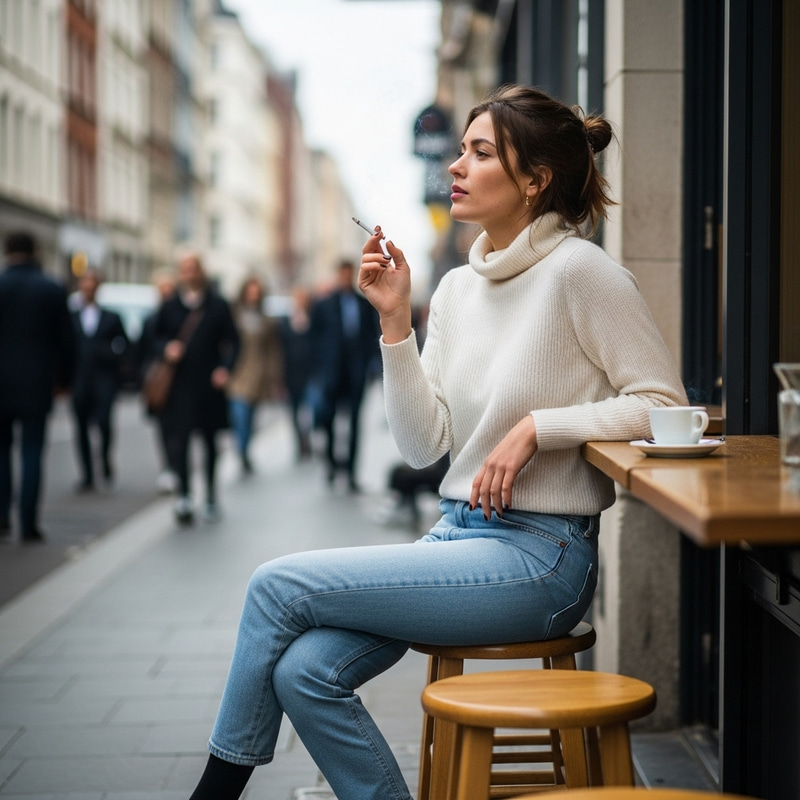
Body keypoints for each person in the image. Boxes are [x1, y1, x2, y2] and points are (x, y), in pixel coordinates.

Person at [185, 85, 688, 800]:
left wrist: (542, 428)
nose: (456, 166)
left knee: (276, 586)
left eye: (480, 152)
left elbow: (663, 405)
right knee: (304, 672)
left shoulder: (584, 273)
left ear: (535, 180)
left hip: (543, 559)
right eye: (460, 150)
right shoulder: (455, 289)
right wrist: (395, 323)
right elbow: (425, 447)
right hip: (457, 538)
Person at [150, 251, 239, 525]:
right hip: (179, 388)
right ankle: (184, 496)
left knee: (211, 444)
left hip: (210, 387)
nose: (189, 273)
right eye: (184, 269)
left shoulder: (218, 305)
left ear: (200, 271)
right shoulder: (170, 306)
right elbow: (151, 338)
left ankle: (211, 496)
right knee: (181, 443)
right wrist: (166, 348)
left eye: (193, 268)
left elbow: (234, 342)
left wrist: (225, 367)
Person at [0, 231, 76, 543]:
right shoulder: (52, 288)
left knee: (1, 452)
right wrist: (64, 381)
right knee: (32, 451)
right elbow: (68, 342)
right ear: (36, 250)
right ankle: (28, 521)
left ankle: (2, 516)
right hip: (37, 383)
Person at [309, 259, 380, 491]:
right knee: (328, 420)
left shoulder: (364, 304)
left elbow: (372, 336)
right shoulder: (323, 305)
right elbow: (315, 338)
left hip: (356, 372)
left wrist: (371, 365)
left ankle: (351, 473)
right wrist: (320, 370)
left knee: (354, 424)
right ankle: (330, 466)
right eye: (343, 273)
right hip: (332, 373)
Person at [69, 269, 129, 491]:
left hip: (104, 379)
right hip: (80, 379)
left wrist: (109, 355)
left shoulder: (111, 317)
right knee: (81, 426)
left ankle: (104, 460)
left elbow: (125, 346)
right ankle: (87, 474)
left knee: (103, 423)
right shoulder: (71, 316)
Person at [226, 275, 283, 474]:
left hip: (258, 374)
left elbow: (272, 350)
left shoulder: (266, 320)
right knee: (239, 415)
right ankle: (241, 451)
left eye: (256, 293)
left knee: (251, 419)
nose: (253, 296)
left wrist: (274, 376)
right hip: (237, 372)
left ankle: (245, 449)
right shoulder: (234, 315)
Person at [138, 268, 179, 493]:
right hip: (160, 383)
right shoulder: (152, 319)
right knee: (163, 427)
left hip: (180, 381)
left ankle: (177, 466)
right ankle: (169, 467)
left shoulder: (182, 316)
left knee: (179, 427)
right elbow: (143, 349)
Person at [278, 284, 315, 461]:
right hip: (291, 375)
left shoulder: (313, 319)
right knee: (294, 413)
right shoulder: (284, 322)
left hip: (309, 373)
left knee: (309, 411)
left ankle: (308, 440)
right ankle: (299, 444)